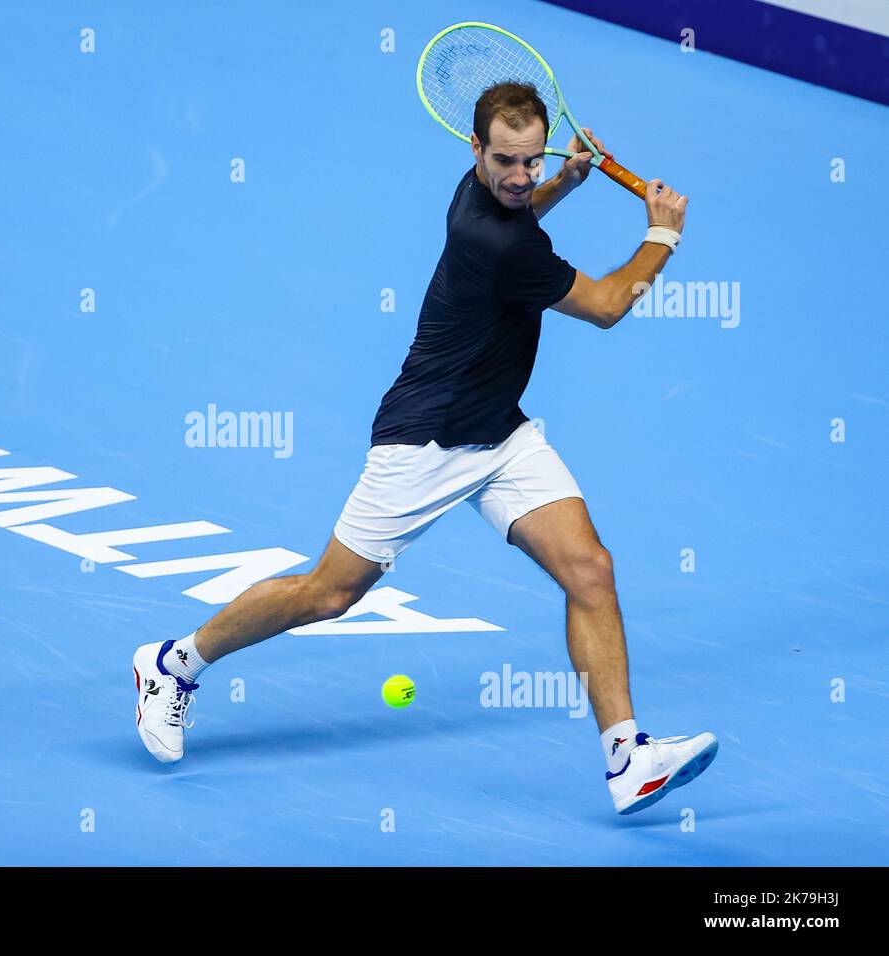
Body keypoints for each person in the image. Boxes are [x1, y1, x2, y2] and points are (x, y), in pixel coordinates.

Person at [134, 82, 717, 815]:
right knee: (330, 593)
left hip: (498, 429)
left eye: (534, 161)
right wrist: (662, 234)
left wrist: (566, 181)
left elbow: (526, 216)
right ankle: (172, 663)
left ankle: (627, 759)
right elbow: (604, 307)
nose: (520, 177)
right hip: (426, 437)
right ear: (474, 148)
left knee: (589, 569)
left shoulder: (482, 200)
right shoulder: (497, 241)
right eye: (507, 161)